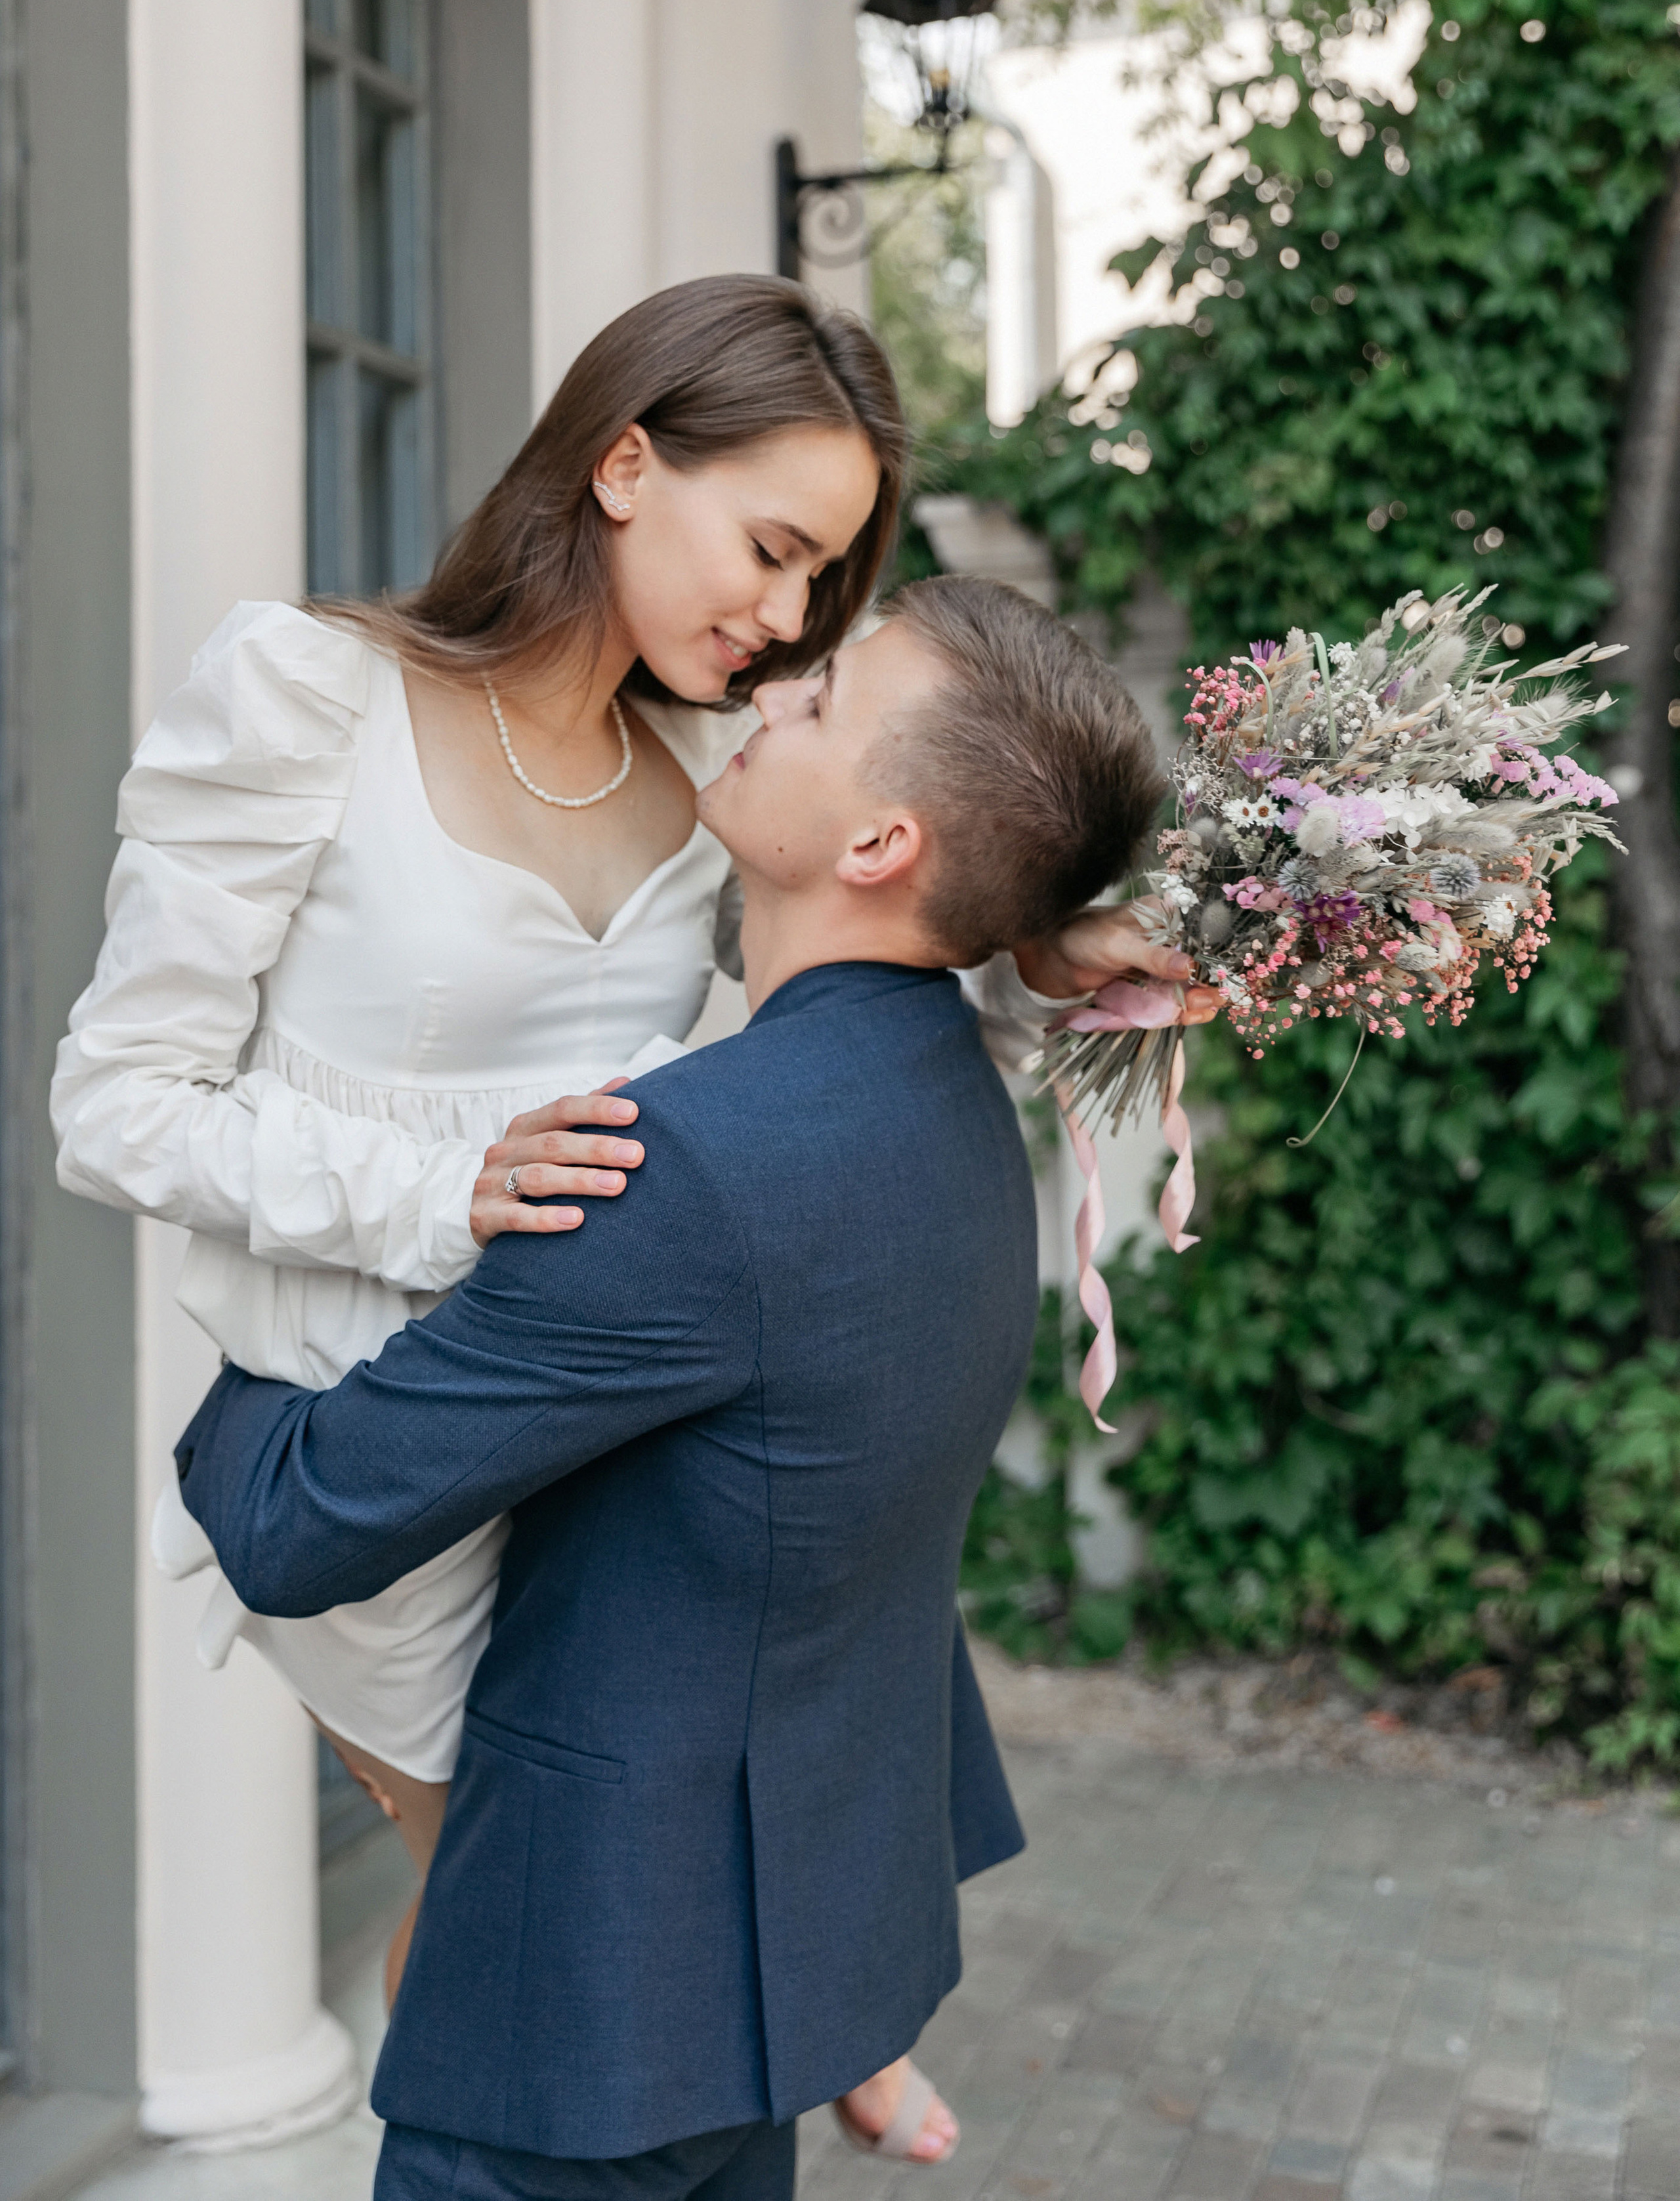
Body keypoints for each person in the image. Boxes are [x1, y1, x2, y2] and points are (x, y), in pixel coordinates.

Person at [52, 274, 1211, 2160]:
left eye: (822, 587)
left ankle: (797, 2005)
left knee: (599, 1898)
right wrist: (447, 1195)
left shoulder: (708, 770)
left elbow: (844, 968)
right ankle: (810, 2007)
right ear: (617, 463)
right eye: (768, 551)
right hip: (377, 1410)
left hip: (600, 1415)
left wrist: (1037, 942)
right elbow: (110, 1101)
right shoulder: (304, 697)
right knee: (560, 1928)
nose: (778, 621)